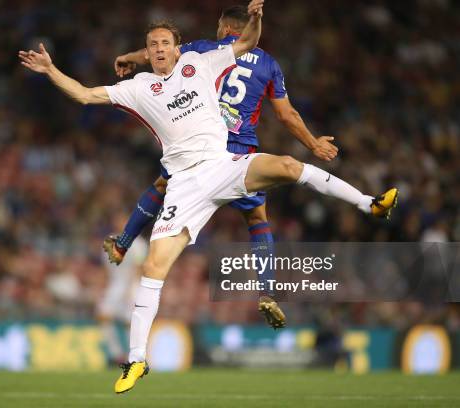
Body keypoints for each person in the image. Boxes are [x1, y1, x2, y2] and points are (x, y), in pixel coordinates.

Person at [19, 0, 397, 393]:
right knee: (153, 269)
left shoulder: (201, 62)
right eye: (153, 44)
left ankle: (369, 203)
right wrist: (50, 70)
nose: (160, 48)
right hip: (185, 184)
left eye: (165, 41)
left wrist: (256, 18)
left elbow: (248, 41)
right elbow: (83, 95)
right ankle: (135, 361)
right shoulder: (137, 88)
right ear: (146, 52)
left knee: (286, 165)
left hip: (224, 164)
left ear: (177, 46)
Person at [104, 5, 339, 329]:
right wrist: (313, 144)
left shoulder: (203, 49)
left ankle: (123, 244)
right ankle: (267, 291)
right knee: (257, 218)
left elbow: (160, 54)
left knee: (162, 186)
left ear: (227, 26)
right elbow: (287, 116)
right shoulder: (269, 63)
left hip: (203, 143)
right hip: (241, 149)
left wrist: (131, 56)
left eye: (218, 25)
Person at [97, 214, 148, 365]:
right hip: (115, 284)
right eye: (118, 220)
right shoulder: (110, 240)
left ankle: (133, 356)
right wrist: (103, 287)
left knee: (129, 321)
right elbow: (106, 268)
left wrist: (131, 289)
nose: (120, 222)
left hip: (132, 284)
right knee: (103, 316)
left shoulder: (138, 243)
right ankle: (115, 354)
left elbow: (138, 268)